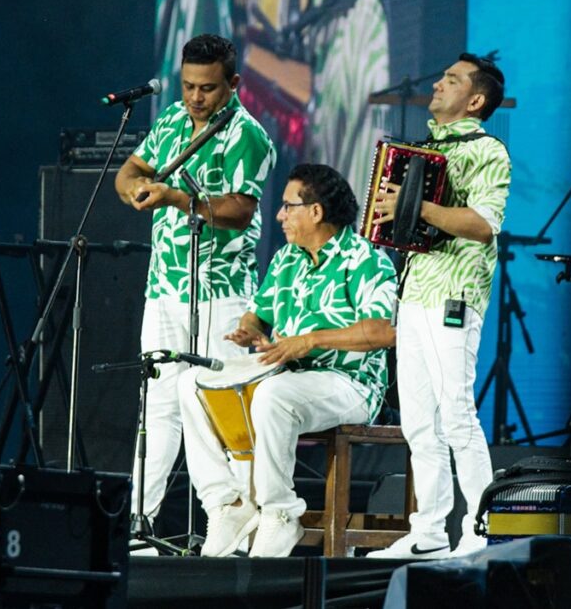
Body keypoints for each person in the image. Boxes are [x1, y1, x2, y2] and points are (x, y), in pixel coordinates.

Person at [178, 163, 397, 558]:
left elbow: (382, 331)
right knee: (191, 383)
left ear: (316, 211)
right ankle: (226, 503)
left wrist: (309, 341)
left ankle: (279, 513)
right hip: (286, 374)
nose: (279, 215)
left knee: (272, 395)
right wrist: (249, 330)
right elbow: (256, 315)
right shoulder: (286, 260)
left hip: (349, 383)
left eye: (287, 206)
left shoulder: (366, 259)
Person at [114, 34, 276, 525]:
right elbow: (129, 171)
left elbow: (239, 211)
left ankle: (241, 519)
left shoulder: (248, 135)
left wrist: (174, 198)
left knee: (225, 408)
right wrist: (135, 188)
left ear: (233, 83)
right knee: (158, 406)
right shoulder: (170, 121)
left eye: (207, 88)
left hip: (221, 294)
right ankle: (140, 522)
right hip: (165, 287)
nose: (195, 97)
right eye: (188, 86)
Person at [367, 53, 511, 559]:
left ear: (475, 100)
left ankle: (482, 529)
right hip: (414, 292)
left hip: (454, 293)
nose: (438, 84)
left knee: (456, 414)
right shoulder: (426, 149)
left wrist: (415, 206)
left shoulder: (488, 150)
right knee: (418, 423)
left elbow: (483, 224)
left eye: (451, 79)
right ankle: (428, 532)